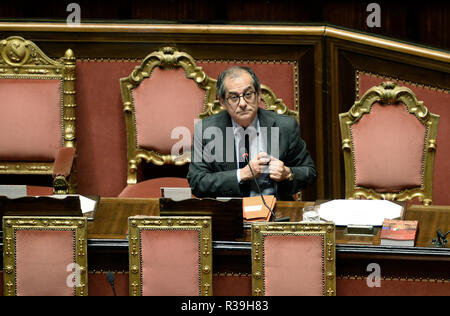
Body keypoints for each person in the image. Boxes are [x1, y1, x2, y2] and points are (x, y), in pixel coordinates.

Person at [187, 66, 316, 200]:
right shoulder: (206, 130)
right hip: (229, 213)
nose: (242, 103)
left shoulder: (285, 126)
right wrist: (241, 175)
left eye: (248, 94)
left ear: (259, 94)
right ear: (222, 102)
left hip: (275, 212)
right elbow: (197, 182)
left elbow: (309, 172)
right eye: (233, 97)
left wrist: (288, 173)